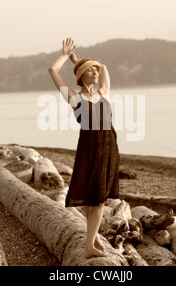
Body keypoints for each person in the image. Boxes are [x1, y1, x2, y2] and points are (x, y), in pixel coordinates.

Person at [48, 38, 120, 258]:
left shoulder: (103, 92)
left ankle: (93, 238)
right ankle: (89, 246)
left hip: (108, 147)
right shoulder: (74, 97)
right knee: (95, 199)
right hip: (88, 148)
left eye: (95, 70)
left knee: (94, 198)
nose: (96, 73)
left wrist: (78, 60)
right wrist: (66, 55)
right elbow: (52, 70)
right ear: (81, 76)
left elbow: (105, 67)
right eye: (90, 71)